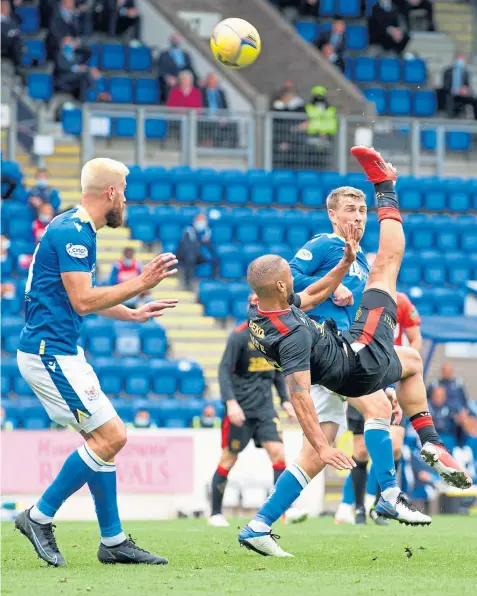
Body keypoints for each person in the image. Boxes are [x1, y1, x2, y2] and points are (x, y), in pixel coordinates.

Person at [238, 146, 471, 556]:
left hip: (335, 357)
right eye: (350, 209)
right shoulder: (327, 243)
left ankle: (259, 525)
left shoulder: (353, 256)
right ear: (332, 215)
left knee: (314, 456)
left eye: (363, 210)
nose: (357, 217)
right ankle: (393, 489)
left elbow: (296, 298)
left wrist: (343, 274)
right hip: (342, 355)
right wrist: (336, 278)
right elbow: (287, 279)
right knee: (383, 403)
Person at [14, 157, 180, 567]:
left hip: (63, 350)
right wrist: (141, 283)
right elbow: (83, 300)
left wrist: (134, 311)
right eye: (122, 190)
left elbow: (85, 299)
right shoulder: (74, 233)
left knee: (103, 441)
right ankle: (38, 517)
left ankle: (113, 541)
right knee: (111, 438)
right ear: (110, 193)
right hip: (48, 353)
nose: (125, 197)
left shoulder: (75, 227)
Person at [209, 297, 298, 528]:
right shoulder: (239, 335)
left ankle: (282, 511)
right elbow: (223, 371)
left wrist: (286, 401)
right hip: (240, 410)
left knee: (278, 455)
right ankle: (215, 513)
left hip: (266, 410)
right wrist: (231, 403)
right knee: (228, 459)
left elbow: (277, 373)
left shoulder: (274, 337)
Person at [336, 289, 423, 525]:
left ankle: (380, 505)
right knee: (362, 451)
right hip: (362, 376)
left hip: (391, 375)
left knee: (394, 445)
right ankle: (358, 509)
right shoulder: (356, 299)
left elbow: (415, 339)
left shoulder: (401, 301)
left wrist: (405, 372)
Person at [176, 213, 218, 290]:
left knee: (215, 258)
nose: (202, 223)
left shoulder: (206, 231)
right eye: (200, 221)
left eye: (203, 221)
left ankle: (214, 280)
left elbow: (209, 246)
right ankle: (187, 282)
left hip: (197, 255)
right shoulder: (188, 231)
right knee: (190, 257)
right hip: (183, 256)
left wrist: (206, 242)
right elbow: (188, 246)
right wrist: (201, 243)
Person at [54, 36, 102, 103]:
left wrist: (79, 43)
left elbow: (89, 52)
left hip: (76, 78)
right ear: (62, 44)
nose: (69, 45)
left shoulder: (76, 55)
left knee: (84, 78)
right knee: (85, 73)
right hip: (63, 78)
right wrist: (77, 68)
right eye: (67, 43)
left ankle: (84, 102)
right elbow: (61, 67)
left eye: (70, 43)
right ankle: (98, 94)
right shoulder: (59, 54)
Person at [437, 54, 477, 120]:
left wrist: (465, 90)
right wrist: (455, 90)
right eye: (458, 59)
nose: (460, 62)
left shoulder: (466, 72)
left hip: (462, 95)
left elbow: (467, 85)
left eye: (462, 60)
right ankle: (450, 115)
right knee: (448, 97)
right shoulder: (447, 71)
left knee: (474, 100)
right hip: (451, 93)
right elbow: (445, 86)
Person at [158, 34, 197, 100]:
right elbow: (161, 69)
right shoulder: (164, 54)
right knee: (169, 85)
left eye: (177, 39)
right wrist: (167, 77)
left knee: (198, 86)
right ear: (170, 41)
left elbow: (191, 68)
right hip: (172, 78)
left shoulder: (186, 54)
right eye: (174, 39)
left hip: (185, 77)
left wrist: (199, 80)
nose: (176, 41)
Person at [1, 0, 23, 72]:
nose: (8, 7)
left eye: (8, 5)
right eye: (5, 5)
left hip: (12, 60)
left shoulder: (13, 20)